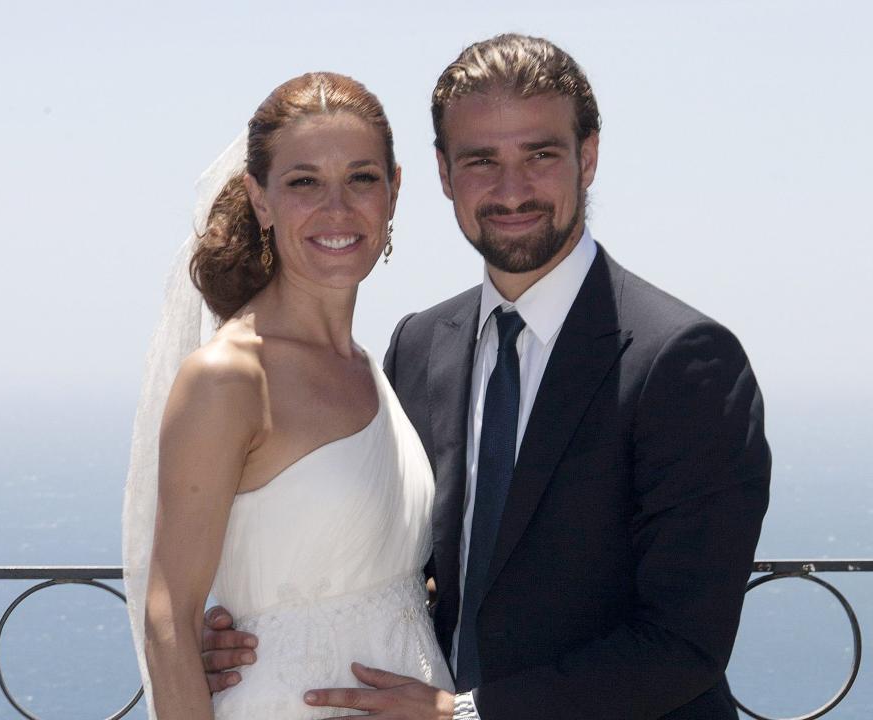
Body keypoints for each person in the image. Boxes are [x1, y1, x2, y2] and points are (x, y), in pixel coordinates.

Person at [202, 35, 771, 719]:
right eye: (481, 161)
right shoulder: (419, 347)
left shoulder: (685, 363)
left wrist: (465, 714)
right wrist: (257, 632)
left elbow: (684, 643)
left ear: (587, 158)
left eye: (540, 155)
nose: (511, 190)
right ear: (443, 174)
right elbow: (393, 562)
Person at [122, 72, 454, 720]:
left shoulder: (373, 370)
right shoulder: (229, 378)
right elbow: (169, 620)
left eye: (361, 177)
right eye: (304, 182)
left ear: (394, 191)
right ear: (261, 198)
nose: (337, 208)